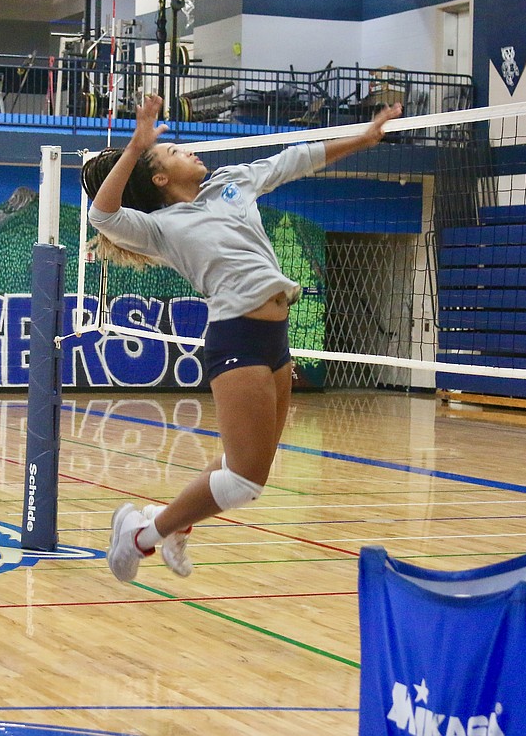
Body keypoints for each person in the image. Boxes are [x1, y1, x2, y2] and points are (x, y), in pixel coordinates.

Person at [82, 93, 402, 583]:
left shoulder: (231, 183)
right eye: (172, 153)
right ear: (160, 179)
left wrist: (362, 138)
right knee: (245, 482)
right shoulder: (159, 227)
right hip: (237, 337)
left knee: (245, 469)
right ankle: (142, 535)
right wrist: (135, 147)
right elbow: (103, 217)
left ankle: (176, 526)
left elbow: (294, 159)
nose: (188, 150)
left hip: (276, 339)